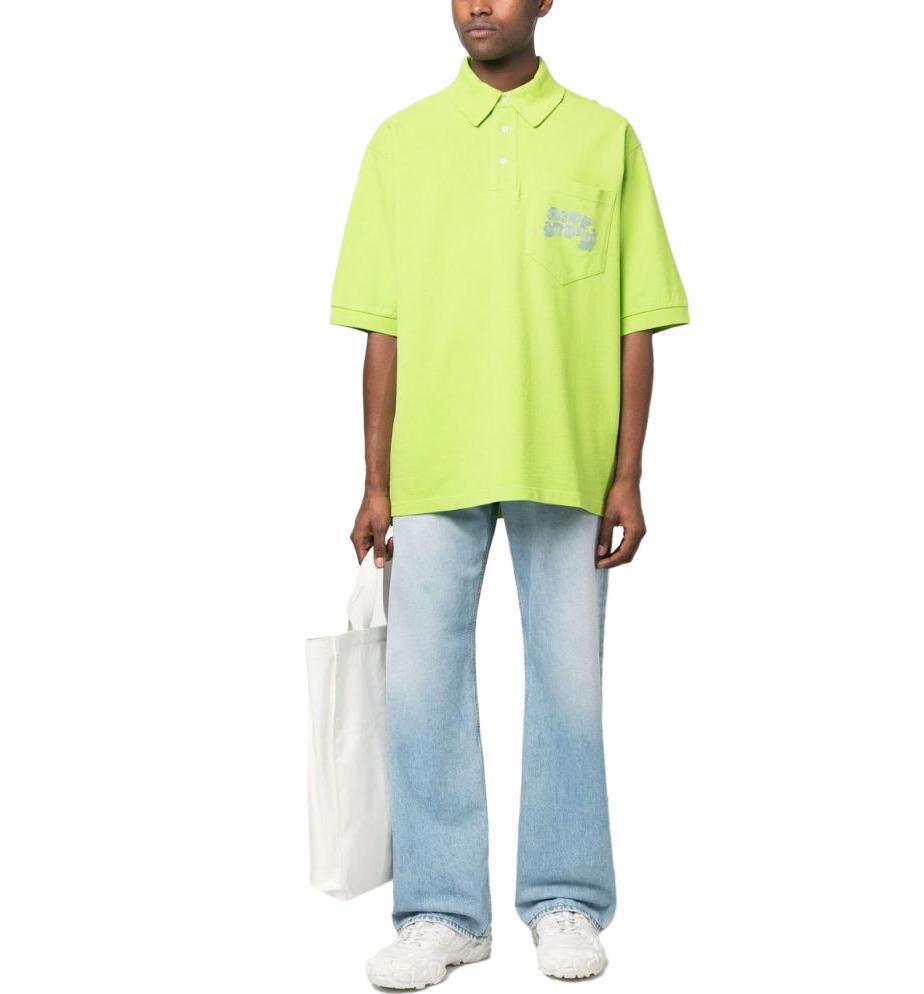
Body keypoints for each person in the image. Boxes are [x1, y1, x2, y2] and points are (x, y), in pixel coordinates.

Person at [329, 0, 689, 987]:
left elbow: (635, 320)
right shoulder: (401, 143)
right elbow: (381, 325)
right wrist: (374, 478)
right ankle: (441, 911)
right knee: (421, 692)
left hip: (566, 459)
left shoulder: (605, 139)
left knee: (569, 686)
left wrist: (627, 472)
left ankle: (565, 897)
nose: (477, 4)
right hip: (432, 461)